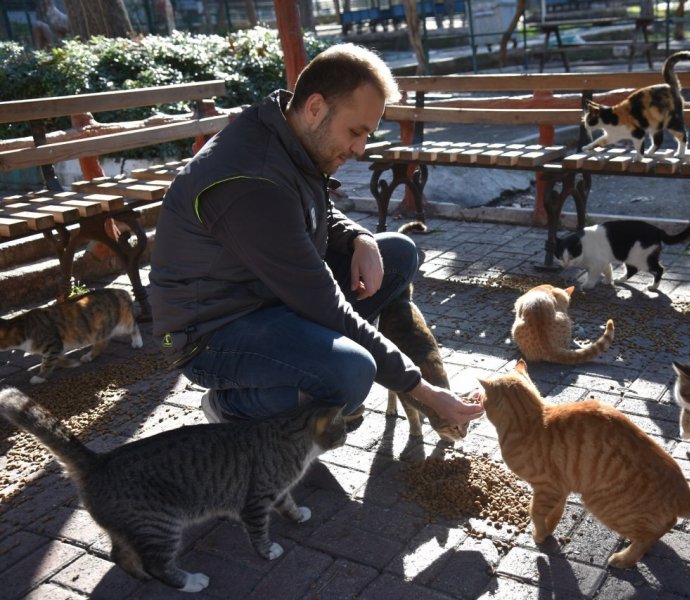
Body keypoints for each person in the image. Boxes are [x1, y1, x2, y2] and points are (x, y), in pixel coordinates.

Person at [148, 43, 483, 429]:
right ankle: (233, 406)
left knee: (399, 253)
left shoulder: (287, 134)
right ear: (315, 108)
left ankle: (313, 370)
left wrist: (360, 238)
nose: (361, 148)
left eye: (367, 134)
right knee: (351, 374)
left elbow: (312, 208)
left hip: (268, 296)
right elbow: (323, 301)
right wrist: (422, 388)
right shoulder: (252, 182)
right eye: (355, 132)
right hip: (213, 331)